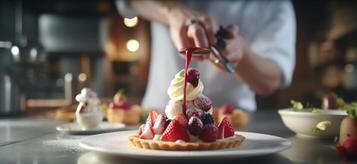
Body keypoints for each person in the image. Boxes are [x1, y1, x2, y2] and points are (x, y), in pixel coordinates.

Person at [116, 0, 296, 112]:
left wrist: (241, 53)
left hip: (233, 121)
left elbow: (272, 79)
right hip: (159, 111)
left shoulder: (276, 5)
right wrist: (172, 11)